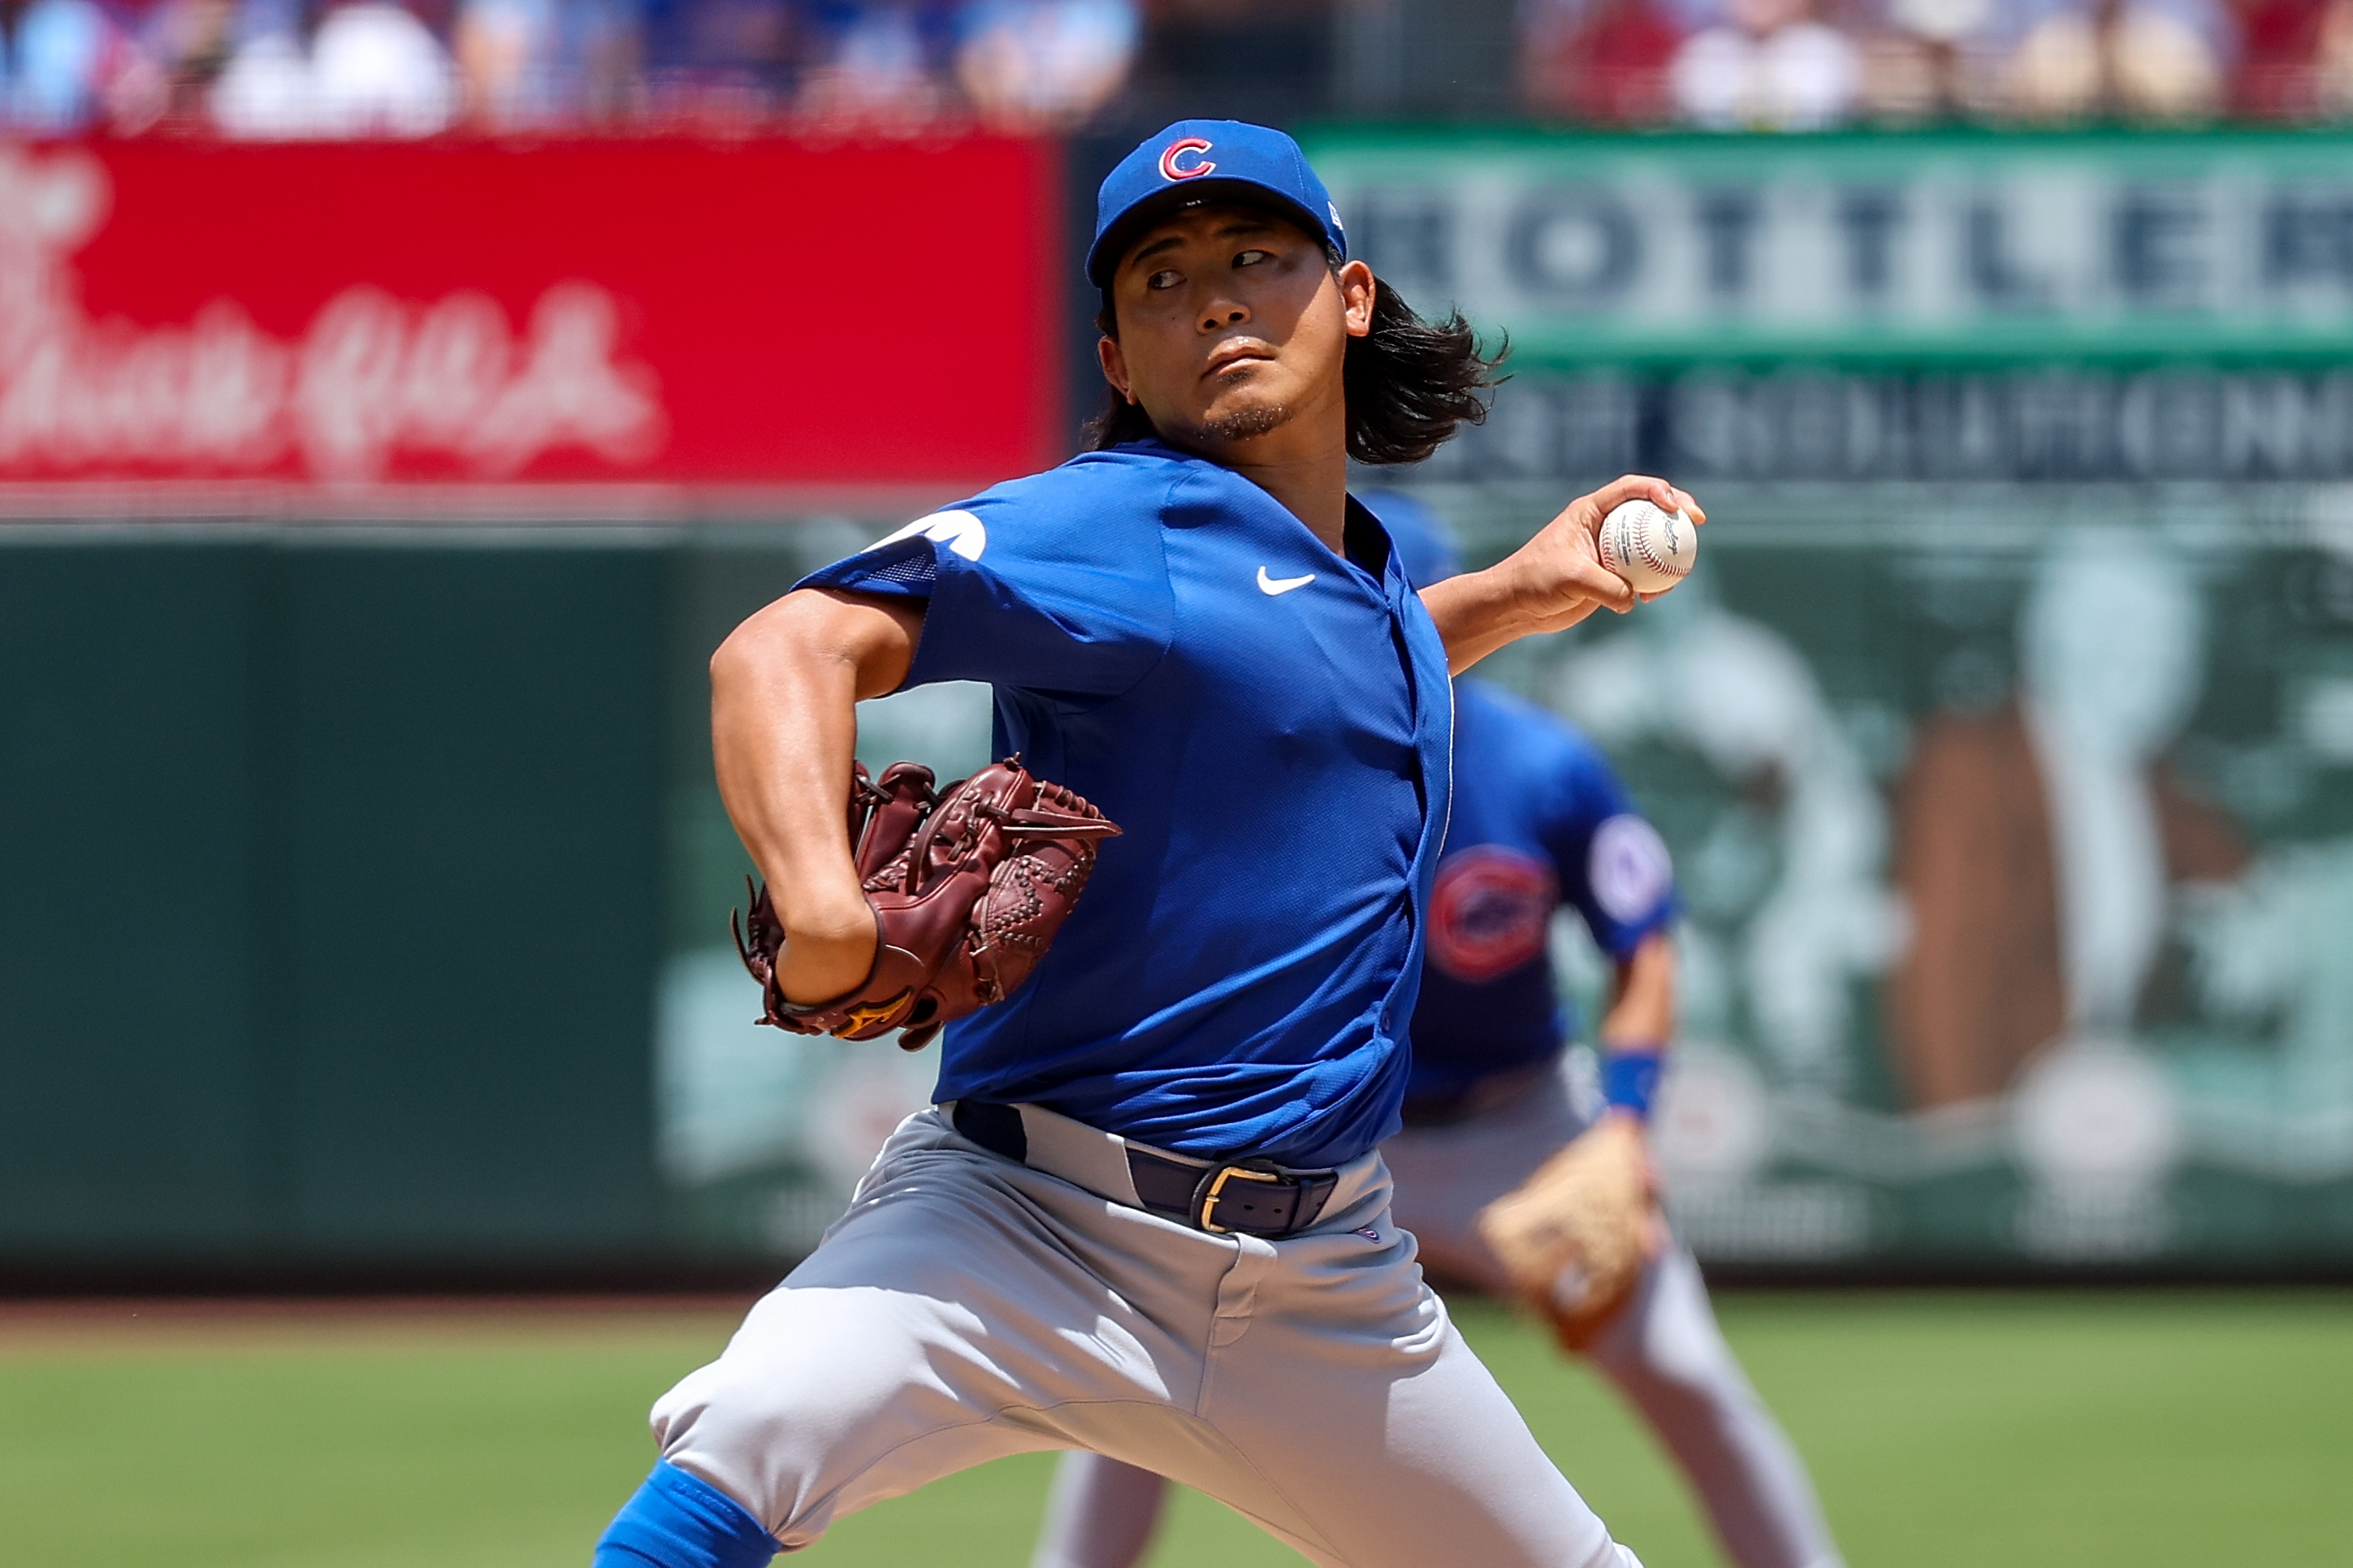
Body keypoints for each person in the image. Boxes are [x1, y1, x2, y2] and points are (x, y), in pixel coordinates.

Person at [590, 119, 1704, 1568]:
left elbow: (1322, 678)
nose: (1218, 300)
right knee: (721, 1479)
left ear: (1348, 297)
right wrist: (823, 907)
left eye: (1255, 258)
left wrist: (1512, 592)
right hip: (1019, 1222)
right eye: (1161, 283)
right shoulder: (1121, 527)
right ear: (1116, 358)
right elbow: (781, 650)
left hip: (1324, 1285)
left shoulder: (1351, 572)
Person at [1029, 496, 1845, 1568]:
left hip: (1520, 1126)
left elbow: (1643, 945)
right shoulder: (1257, 777)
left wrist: (1625, 1130)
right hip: (1316, 1132)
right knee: (1144, 1373)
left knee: (1687, 1375)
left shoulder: (1539, 768)